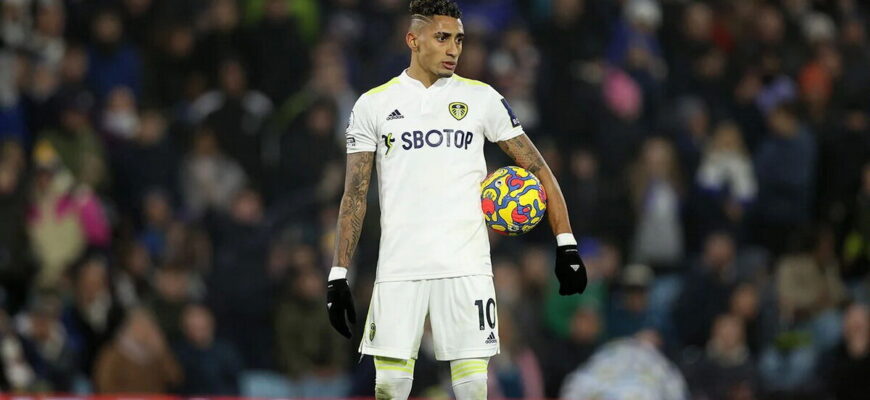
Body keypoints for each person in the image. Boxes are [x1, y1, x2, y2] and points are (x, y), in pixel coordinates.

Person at [324, 1, 588, 400]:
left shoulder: (482, 99)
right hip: (400, 266)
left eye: (459, 40)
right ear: (413, 40)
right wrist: (339, 274)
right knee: (391, 385)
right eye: (442, 38)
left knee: (472, 386)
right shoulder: (373, 105)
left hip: (466, 265)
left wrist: (566, 244)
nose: (453, 49)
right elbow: (355, 193)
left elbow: (539, 170)